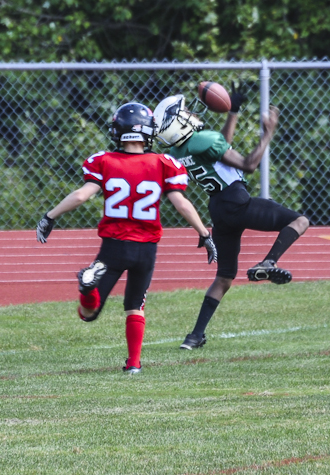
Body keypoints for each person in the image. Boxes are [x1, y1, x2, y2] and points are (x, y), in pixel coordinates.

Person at [35, 102, 217, 374]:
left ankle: (87, 291)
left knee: (89, 314)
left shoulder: (104, 161)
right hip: (146, 249)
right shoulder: (164, 163)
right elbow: (181, 203)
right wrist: (204, 233)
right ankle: (134, 364)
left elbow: (82, 195)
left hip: (114, 246)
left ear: (118, 131)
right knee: (135, 305)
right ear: (148, 132)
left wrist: (49, 216)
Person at [153, 88, 309, 351]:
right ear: (178, 123)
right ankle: (269, 262)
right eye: (184, 112)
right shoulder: (202, 139)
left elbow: (221, 150)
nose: (190, 113)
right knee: (300, 221)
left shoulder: (180, 152)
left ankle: (194, 337)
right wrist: (268, 132)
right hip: (237, 201)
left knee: (224, 277)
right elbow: (248, 164)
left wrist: (233, 112)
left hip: (218, 209)